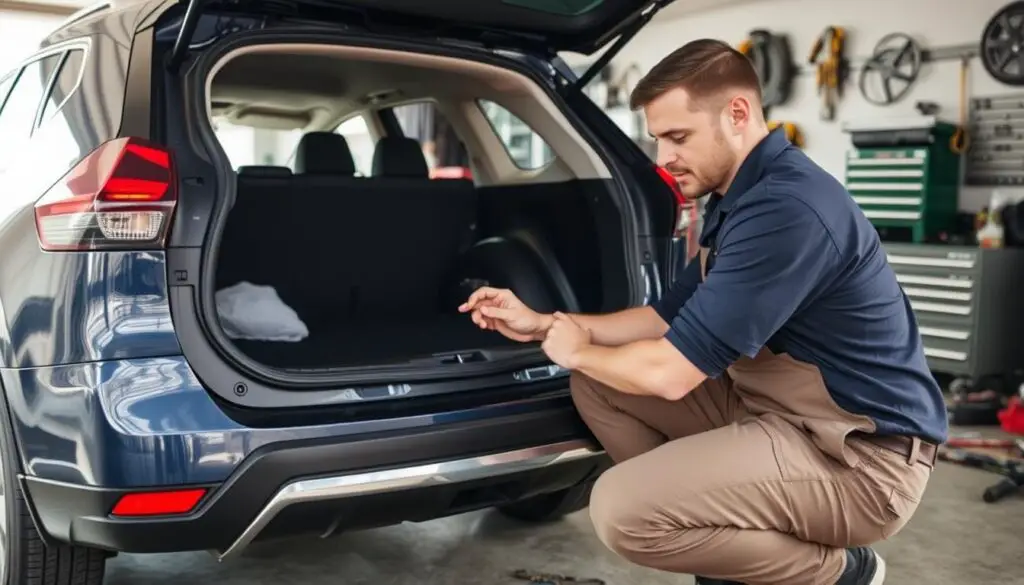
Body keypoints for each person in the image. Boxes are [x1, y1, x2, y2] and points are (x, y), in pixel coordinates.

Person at [458, 38, 948, 585]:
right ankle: (718, 539)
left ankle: (839, 573)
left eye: (678, 137)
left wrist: (581, 349)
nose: (664, 158)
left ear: (737, 113)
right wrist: (549, 323)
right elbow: (664, 318)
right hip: (776, 416)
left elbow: (669, 375)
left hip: (859, 460)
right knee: (597, 385)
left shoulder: (787, 209)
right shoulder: (739, 196)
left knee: (622, 510)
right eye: (659, 139)